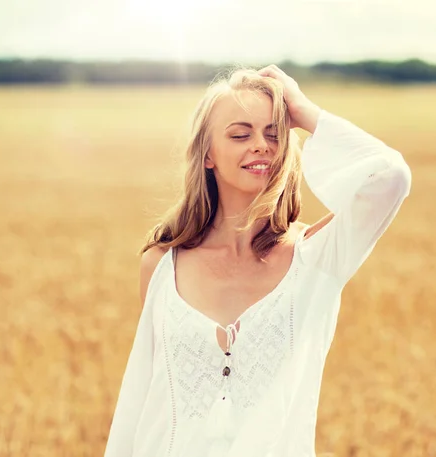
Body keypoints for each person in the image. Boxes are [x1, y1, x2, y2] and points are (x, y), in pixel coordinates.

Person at [103, 64, 412, 457]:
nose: (262, 145)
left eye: (273, 133)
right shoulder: (162, 265)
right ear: (208, 155)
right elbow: (139, 402)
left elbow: (391, 177)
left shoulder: (316, 259)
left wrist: (302, 110)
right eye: (240, 134)